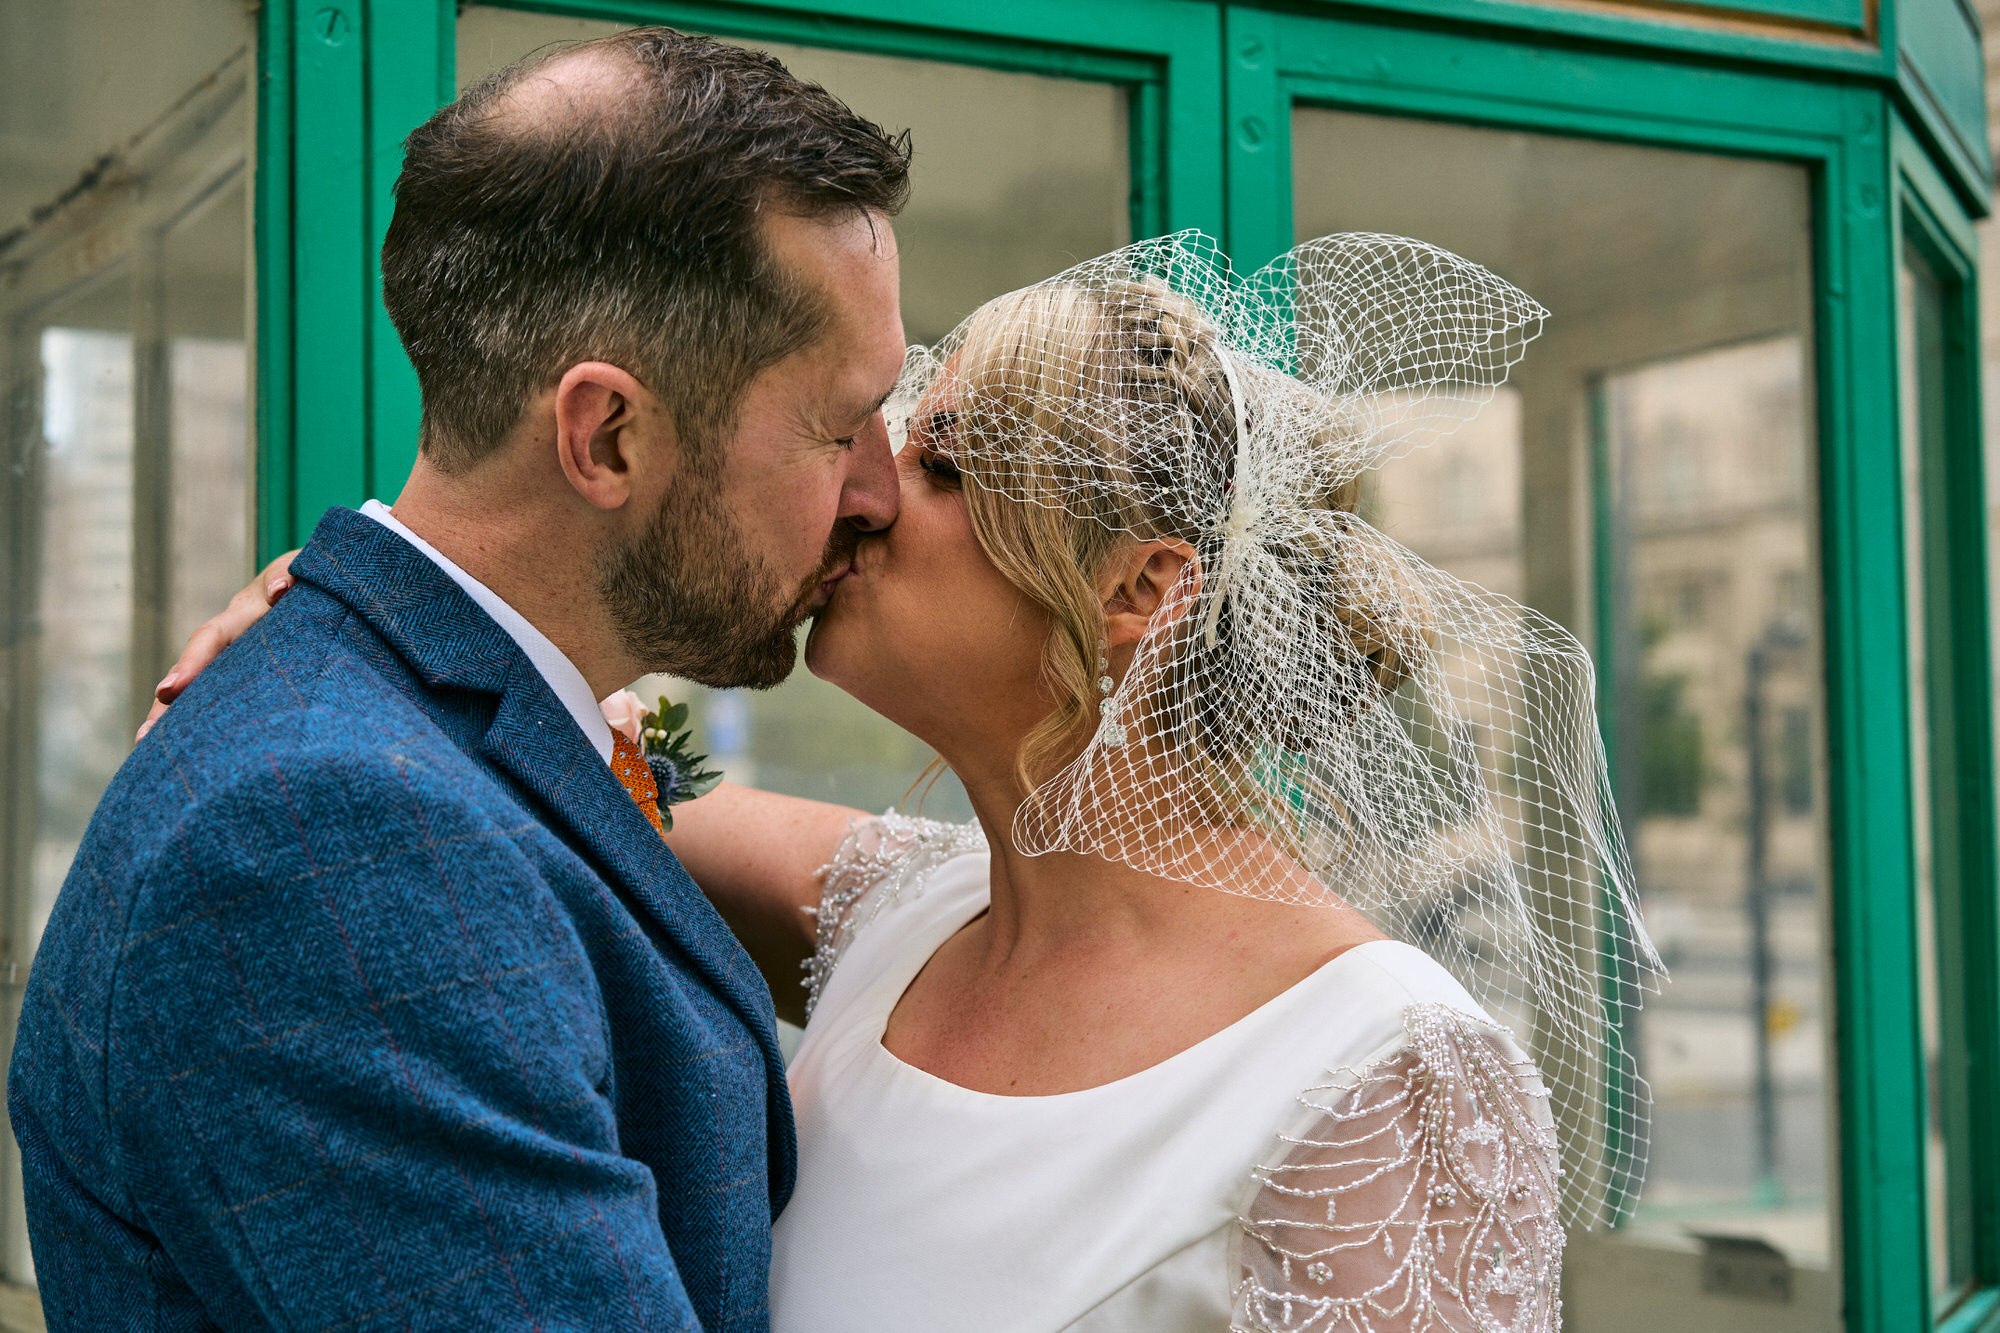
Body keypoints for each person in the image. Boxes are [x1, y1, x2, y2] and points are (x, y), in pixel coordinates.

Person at [167, 233, 1661, 1330]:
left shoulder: (1386, 1072)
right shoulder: (898, 911)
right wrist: (374, 608)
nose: (865, 491)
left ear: (1136, 585)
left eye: (945, 462)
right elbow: (568, 756)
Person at [9, 27, 912, 1331]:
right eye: (838, 427)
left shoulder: (420, 731)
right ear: (607, 433)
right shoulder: (335, 836)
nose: (875, 492)